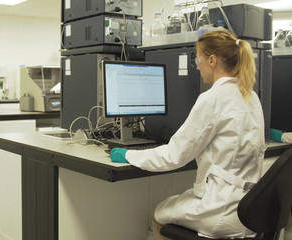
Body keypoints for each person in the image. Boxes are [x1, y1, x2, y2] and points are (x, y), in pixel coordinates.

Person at [111, 30, 265, 239]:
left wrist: (128, 155)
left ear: (212, 60)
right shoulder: (251, 95)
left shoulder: (212, 98)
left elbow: (174, 156)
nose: (197, 65)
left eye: (198, 59)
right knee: (181, 200)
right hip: (250, 210)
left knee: (158, 214)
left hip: (220, 210)